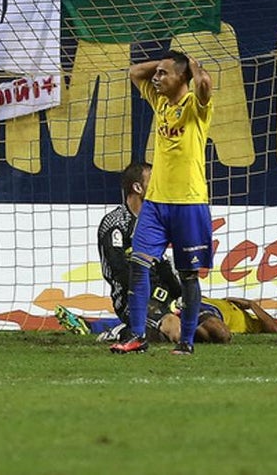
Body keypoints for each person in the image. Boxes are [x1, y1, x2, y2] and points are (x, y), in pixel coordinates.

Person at [111, 50, 213, 356]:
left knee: (188, 276)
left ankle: (187, 342)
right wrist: (163, 64)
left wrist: (192, 67)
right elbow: (133, 72)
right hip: (155, 203)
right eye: (156, 74)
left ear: (181, 78)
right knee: (139, 265)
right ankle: (137, 335)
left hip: (189, 203)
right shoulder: (160, 103)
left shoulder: (196, 107)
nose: (155, 78)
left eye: (163, 74)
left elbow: (205, 86)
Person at [55, 162, 183, 342]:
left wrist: (180, 295)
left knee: (216, 332)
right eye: (153, 181)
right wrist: (144, 295)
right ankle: (116, 331)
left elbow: (163, 264)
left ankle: (109, 328)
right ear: (138, 187)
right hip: (132, 298)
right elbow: (118, 270)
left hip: (163, 295)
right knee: (175, 332)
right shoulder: (115, 223)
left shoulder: (156, 221)